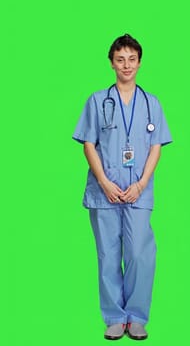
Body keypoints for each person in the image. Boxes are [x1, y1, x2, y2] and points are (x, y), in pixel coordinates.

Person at [73, 34, 172, 341]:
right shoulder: (96, 100)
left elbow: (157, 145)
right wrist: (104, 181)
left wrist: (142, 182)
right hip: (105, 192)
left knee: (141, 254)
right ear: (111, 63)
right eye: (120, 59)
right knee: (108, 255)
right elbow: (88, 143)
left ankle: (137, 317)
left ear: (139, 63)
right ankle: (115, 317)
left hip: (138, 191)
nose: (126, 65)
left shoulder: (151, 103)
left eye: (132, 59)